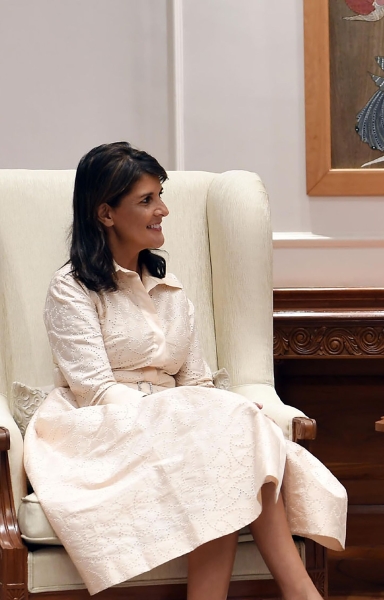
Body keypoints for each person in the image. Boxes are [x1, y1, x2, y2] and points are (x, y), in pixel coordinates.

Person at [22, 142, 347, 599]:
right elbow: (95, 390)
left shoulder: (170, 288)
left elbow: (195, 380)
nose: (163, 210)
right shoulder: (71, 289)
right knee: (227, 436)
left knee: (231, 440)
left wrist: (219, 407)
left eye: (160, 196)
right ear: (106, 214)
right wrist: (193, 411)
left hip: (175, 422)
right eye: (146, 200)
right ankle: (301, 592)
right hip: (100, 430)